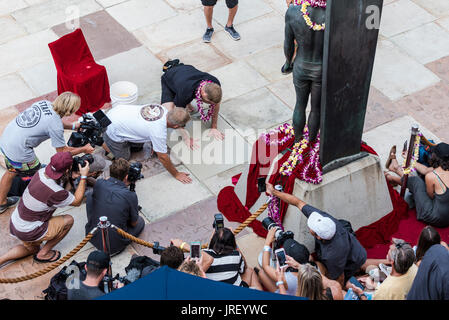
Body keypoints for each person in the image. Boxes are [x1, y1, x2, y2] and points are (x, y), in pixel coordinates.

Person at [0, 92, 94, 213]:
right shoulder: (55, 125)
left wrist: (73, 126)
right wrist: (84, 149)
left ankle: (2, 201)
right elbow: (62, 154)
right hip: (19, 151)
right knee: (41, 174)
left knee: (11, 171)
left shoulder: (45, 103)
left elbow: (52, 119)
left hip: (7, 139)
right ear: (70, 110)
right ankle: (35, 196)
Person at [266, 182, 367, 288]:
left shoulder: (331, 255)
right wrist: (274, 192)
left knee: (347, 277)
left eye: (311, 227)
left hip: (353, 259)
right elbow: (297, 202)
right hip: (349, 247)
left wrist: (338, 290)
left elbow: (339, 277)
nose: (310, 222)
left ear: (318, 236)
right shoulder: (321, 218)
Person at [0, 152, 89, 267]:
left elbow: (65, 188)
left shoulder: (41, 172)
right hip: (30, 230)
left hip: (17, 223)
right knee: (69, 220)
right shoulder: (56, 191)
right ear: (68, 170)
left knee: (32, 249)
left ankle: (1, 260)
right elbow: (77, 201)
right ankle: (43, 253)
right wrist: (84, 176)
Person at [102, 104, 192, 184]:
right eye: (183, 126)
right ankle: (109, 150)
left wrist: (156, 145)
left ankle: (124, 142)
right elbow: (163, 157)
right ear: (176, 126)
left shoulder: (161, 109)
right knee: (124, 158)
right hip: (111, 128)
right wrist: (176, 174)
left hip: (117, 113)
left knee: (138, 148)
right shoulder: (158, 132)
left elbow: (150, 125)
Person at [283, 1, 326, 143]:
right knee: (316, 109)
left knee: (300, 104)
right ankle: (311, 142)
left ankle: (298, 140)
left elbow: (288, 44)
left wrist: (288, 63)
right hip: (320, 69)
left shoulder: (293, 11)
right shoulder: (332, 14)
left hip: (301, 66)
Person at [85, 158, 146, 256]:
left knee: (91, 196)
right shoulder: (130, 195)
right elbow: (134, 223)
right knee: (140, 221)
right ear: (127, 177)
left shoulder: (99, 183)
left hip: (92, 235)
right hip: (113, 247)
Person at [171, 228, 262, 290]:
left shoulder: (204, 254)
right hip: (236, 292)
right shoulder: (236, 255)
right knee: (250, 271)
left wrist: (182, 244)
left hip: (216, 291)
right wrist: (235, 244)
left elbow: (202, 254)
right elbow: (243, 269)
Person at [161, 62, 224, 148]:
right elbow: (177, 118)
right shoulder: (185, 92)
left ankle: (187, 102)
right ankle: (170, 68)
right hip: (169, 78)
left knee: (186, 95)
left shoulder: (215, 83)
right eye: (209, 102)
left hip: (186, 72)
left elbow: (216, 104)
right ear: (203, 94)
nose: (211, 105)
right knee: (168, 114)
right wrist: (186, 138)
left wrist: (214, 127)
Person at [385, 142, 449, 227]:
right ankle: (395, 169)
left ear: (435, 157)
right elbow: (425, 170)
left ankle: (391, 177)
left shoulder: (432, 176)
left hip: (435, 217)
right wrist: (410, 158)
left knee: (417, 182)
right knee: (418, 182)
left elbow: (430, 196)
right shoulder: (442, 169)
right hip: (447, 217)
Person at [257, 228, 310, 295]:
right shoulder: (316, 268)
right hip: (306, 292)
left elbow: (265, 266)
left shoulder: (286, 279)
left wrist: (267, 242)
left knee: (262, 273)